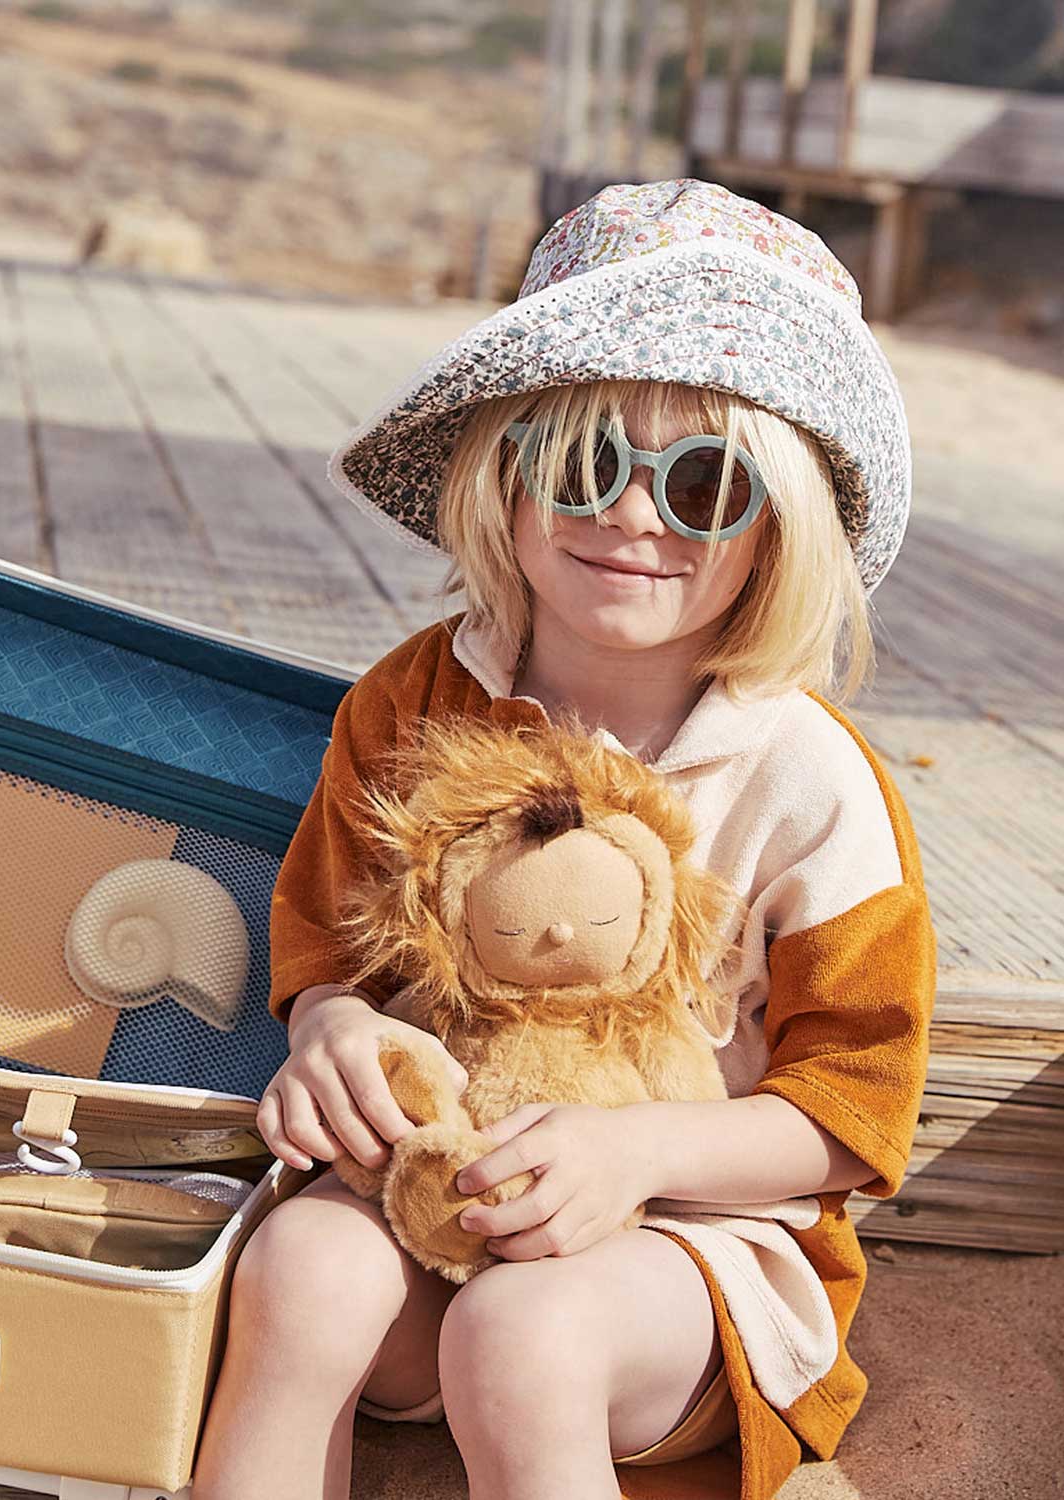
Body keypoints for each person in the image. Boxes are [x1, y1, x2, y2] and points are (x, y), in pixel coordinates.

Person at [192, 178, 935, 1500]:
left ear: (779, 527)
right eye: (587, 461)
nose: (635, 516)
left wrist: (639, 1152)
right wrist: (333, 1036)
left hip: (693, 1262)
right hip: (438, 1196)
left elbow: (855, 1110)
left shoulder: (808, 775)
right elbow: (324, 945)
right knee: (299, 1266)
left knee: (525, 1334)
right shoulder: (414, 699)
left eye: (706, 483)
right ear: (506, 474)